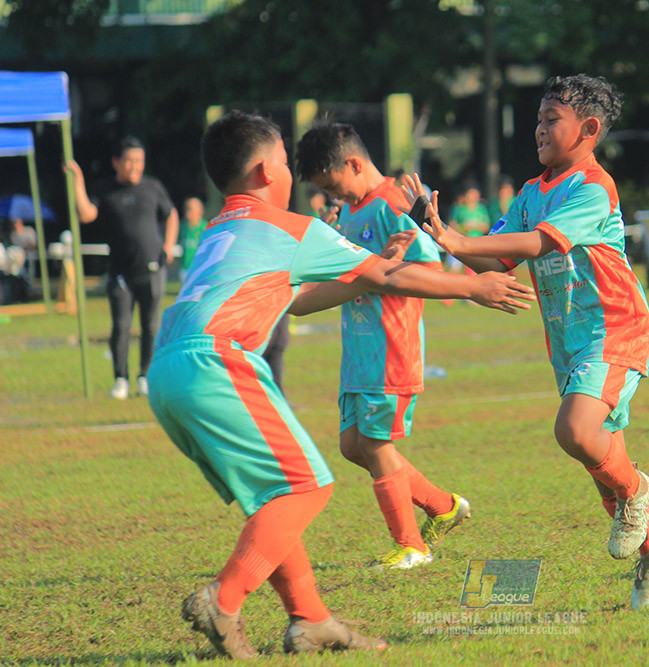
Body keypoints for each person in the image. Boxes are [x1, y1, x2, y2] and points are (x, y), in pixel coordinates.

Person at [147, 110, 533, 659]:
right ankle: (225, 598)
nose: (290, 174)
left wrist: (374, 269)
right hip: (217, 362)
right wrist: (473, 287)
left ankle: (310, 619)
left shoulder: (222, 230)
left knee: (274, 497)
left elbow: (306, 298)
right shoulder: (288, 228)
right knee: (308, 486)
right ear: (263, 171)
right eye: (283, 161)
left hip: (167, 371)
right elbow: (388, 277)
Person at [402, 74, 649, 612]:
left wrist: (458, 238)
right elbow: (498, 259)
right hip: (570, 342)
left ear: (589, 129)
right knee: (602, 471)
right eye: (538, 119)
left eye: (553, 119)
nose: (539, 129)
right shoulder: (533, 192)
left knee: (575, 430)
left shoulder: (593, 187)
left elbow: (539, 242)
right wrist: (441, 234)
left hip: (615, 328)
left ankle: (639, 491)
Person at [296, 121, 471, 570]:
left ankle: (411, 544)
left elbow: (428, 270)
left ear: (355, 163)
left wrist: (387, 265)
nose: (337, 197)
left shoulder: (394, 204)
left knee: (374, 444)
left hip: (391, 348)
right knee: (353, 445)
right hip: (358, 350)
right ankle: (443, 506)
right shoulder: (352, 210)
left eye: (335, 186)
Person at [65, 137, 179, 400]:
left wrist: (169, 245)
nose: (134, 166)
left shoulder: (152, 187)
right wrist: (78, 180)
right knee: (121, 325)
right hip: (120, 271)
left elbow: (171, 214)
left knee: (150, 326)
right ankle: (120, 378)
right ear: (116, 162)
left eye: (138, 161)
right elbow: (85, 214)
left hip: (151, 268)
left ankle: (145, 376)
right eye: (129, 161)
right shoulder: (105, 190)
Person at [179, 197, 208, 284]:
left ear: (200, 211)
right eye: (186, 209)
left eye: (190, 209)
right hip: (185, 268)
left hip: (200, 268)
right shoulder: (183, 227)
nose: (188, 212)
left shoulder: (206, 228)